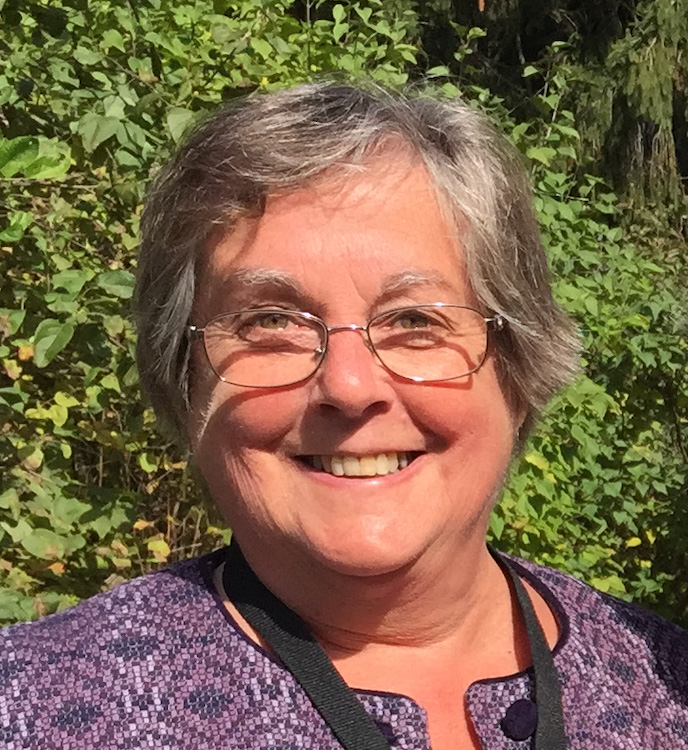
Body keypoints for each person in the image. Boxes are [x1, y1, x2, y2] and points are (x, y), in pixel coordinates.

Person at [1, 81, 687, 750]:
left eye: (415, 320)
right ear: (185, 376)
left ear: (518, 360)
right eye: (270, 321)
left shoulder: (664, 685)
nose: (350, 386)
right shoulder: (35, 707)